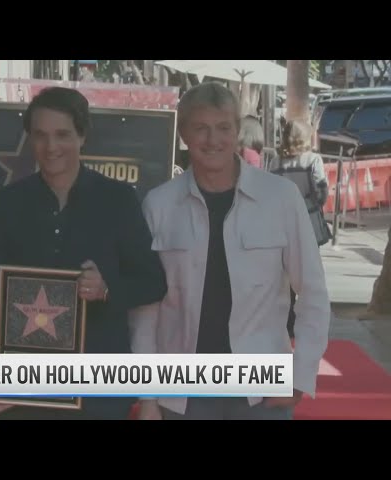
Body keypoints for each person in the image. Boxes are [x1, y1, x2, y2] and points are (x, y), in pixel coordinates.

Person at [129, 82, 331, 420]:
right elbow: (147, 311)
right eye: (201, 128)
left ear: (237, 131)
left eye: (223, 128)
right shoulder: (159, 205)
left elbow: (313, 292)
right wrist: (148, 396)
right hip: (181, 392)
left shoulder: (280, 198)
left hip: (262, 389)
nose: (213, 140)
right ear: (184, 135)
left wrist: (301, 373)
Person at [0, 86, 167, 420]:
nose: (51, 147)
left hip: (99, 391)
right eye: (40, 135)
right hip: (26, 390)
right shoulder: (9, 203)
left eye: (62, 134)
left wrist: (107, 289)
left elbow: (153, 283)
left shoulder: (118, 200)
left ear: (82, 136)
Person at [269, 119, 331, 338]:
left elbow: (270, 192)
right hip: (309, 221)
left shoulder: (275, 162)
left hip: (281, 222)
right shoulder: (313, 160)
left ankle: (288, 319)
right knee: (309, 272)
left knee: (285, 272)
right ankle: (310, 319)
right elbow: (321, 192)